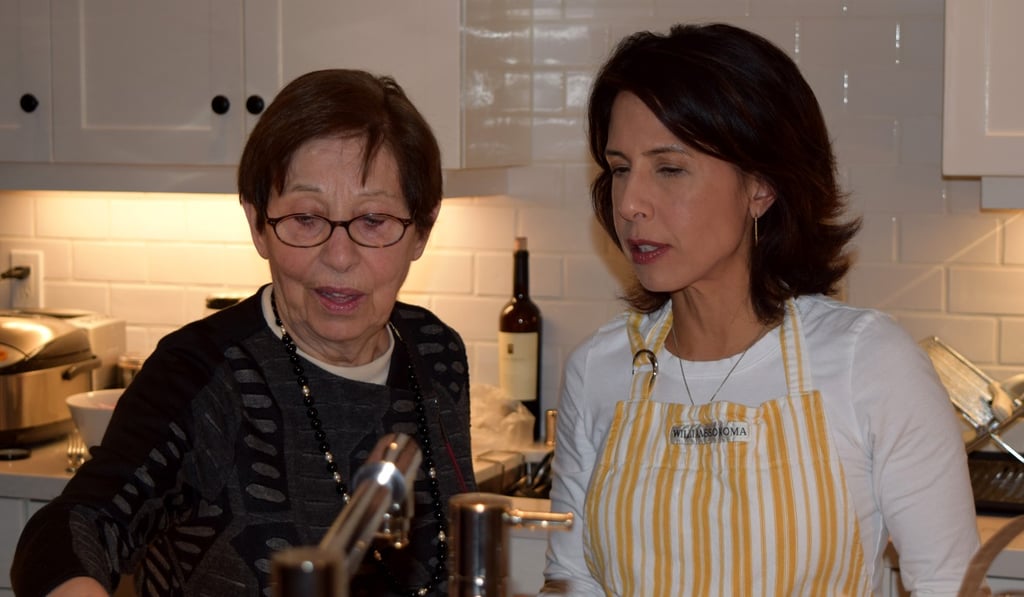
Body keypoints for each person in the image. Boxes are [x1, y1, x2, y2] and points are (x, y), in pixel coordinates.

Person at [541, 23, 980, 596]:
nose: (629, 203)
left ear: (761, 186)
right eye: (620, 168)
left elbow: (951, 587)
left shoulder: (869, 363)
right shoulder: (599, 370)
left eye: (668, 169)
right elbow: (573, 581)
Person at [12, 69, 475, 597]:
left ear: (422, 229)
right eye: (305, 217)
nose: (340, 256)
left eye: (373, 220)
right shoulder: (201, 372)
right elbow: (73, 527)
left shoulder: (436, 350)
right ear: (258, 224)